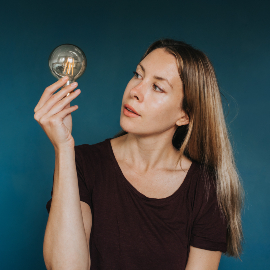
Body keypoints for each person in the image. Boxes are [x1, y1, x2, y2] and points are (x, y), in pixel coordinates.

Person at [34, 39, 244, 270]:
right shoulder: (83, 164)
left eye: (157, 87)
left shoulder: (205, 188)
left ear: (185, 115)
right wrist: (63, 149)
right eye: (137, 74)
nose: (135, 91)